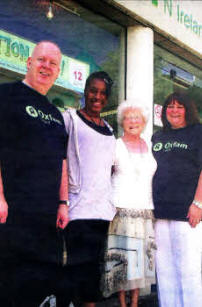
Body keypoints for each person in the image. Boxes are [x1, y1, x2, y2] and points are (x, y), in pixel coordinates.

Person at [0, 41, 69, 307]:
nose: (46, 66)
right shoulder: (7, 95)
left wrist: (62, 203)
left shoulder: (54, 113)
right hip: (12, 212)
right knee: (9, 284)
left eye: (53, 64)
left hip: (46, 217)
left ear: (58, 72)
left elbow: (62, 160)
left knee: (35, 287)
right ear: (29, 62)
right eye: (42, 60)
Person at [62, 71, 116, 307]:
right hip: (77, 209)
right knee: (75, 272)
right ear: (85, 91)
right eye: (93, 90)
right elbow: (58, 160)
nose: (97, 96)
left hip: (102, 212)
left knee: (92, 272)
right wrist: (61, 202)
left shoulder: (110, 129)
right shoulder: (70, 119)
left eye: (103, 93)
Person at [102, 100, 157, 307]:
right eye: (128, 117)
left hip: (145, 211)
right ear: (121, 122)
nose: (133, 121)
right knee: (122, 262)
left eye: (137, 118)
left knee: (140, 262)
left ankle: (134, 303)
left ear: (143, 122)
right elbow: (103, 176)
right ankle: (123, 303)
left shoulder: (150, 145)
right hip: (121, 210)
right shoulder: (115, 145)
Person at [152, 92, 202, 307]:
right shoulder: (157, 137)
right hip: (160, 212)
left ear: (188, 110)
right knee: (164, 271)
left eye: (179, 106)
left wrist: (198, 203)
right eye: (170, 106)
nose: (174, 110)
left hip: (187, 212)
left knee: (188, 271)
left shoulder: (198, 132)